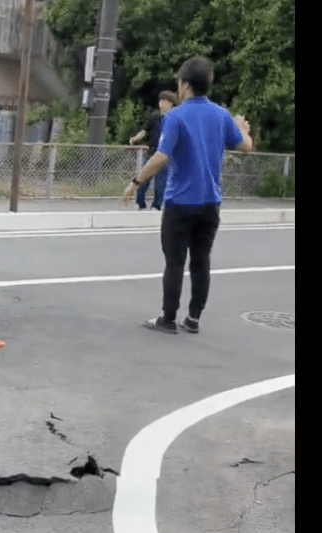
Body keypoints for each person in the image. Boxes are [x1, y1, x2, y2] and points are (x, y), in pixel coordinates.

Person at [123, 57, 253, 334]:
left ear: (184, 85)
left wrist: (136, 182)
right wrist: (242, 128)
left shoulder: (175, 117)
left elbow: (160, 156)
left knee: (174, 262)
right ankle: (193, 318)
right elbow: (245, 146)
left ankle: (168, 319)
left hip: (180, 202)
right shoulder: (220, 115)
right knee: (201, 261)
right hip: (210, 203)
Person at [127, 91, 176, 209]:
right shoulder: (155, 117)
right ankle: (140, 202)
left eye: (164, 102)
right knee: (144, 177)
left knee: (161, 181)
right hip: (153, 151)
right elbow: (145, 130)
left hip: (165, 154)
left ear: (171, 104)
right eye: (160, 101)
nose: (161, 104)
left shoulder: (174, 118)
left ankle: (157, 205)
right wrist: (136, 138)